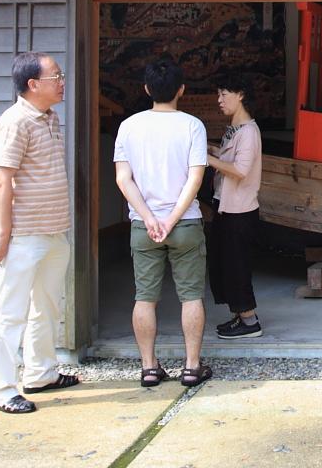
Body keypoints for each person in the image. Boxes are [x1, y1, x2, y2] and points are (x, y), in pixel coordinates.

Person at [0, 52, 80, 414]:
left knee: (47, 306)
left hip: (54, 230)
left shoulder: (50, 117)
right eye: (56, 76)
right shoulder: (15, 122)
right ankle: (1, 390)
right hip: (22, 235)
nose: (62, 82)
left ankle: (40, 373)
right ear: (33, 84)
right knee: (10, 313)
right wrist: (3, 233)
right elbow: (1, 180)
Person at [113, 58, 212, 388]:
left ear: (146, 89)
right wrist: (171, 219)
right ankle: (192, 366)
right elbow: (195, 179)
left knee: (144, 297)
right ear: (181, 90)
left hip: (144, 226)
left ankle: (149, 367)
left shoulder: (129, 126)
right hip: (184, 224)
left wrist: (149, 217)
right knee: (191, 296)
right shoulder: (193, 126)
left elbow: (123, 179)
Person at [206, 73, 264, 338]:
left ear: (240, 95)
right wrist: (213, 151)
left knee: (237, 267)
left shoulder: (249, 131)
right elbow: (231, 158)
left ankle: (250, 323)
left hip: (240, 211)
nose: (219, 100)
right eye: (218, 94)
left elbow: (240, 170)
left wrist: (208, 159)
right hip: (226, 207)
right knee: (225, 265)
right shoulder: (235, 128)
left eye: (224, 94)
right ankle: (240, 316)